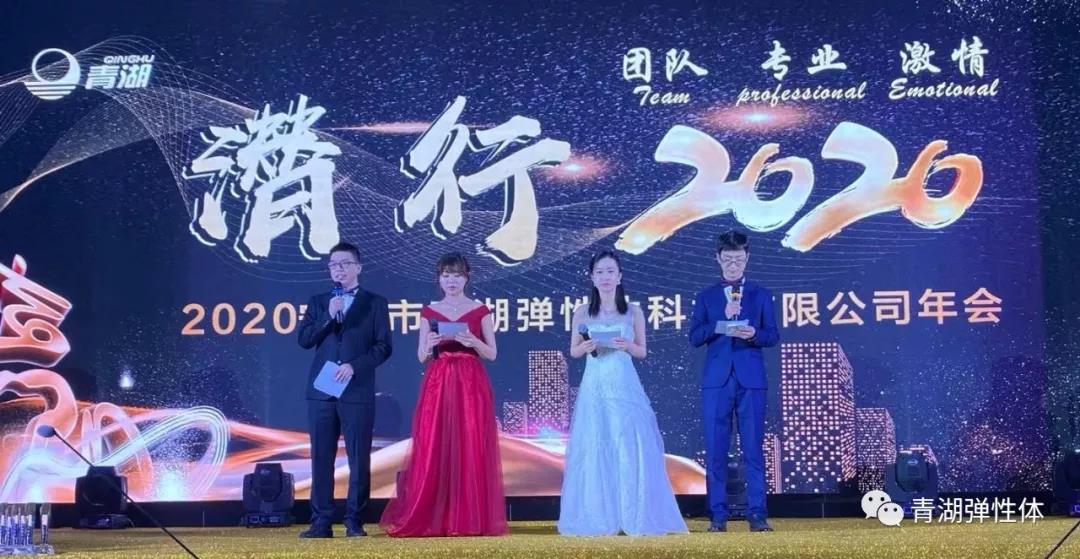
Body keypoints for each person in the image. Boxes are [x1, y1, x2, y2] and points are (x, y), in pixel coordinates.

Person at [558, 249, 688, 536]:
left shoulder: (633, 311)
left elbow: (642, 351)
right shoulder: (582, 312)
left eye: (610, 271)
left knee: (628, 443)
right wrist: (586, 346)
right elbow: (574, 351)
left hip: (624, 384)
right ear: (592, 278)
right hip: (595, 385)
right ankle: (600, 516)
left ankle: (633, 513)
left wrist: (627, 345)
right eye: (600, 272)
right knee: (596, 443)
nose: (605, 277)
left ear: (619, 276)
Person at [380, 252, 508, 537]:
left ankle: (469, 517)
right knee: (436, 443)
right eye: (446, 275)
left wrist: (472, 341)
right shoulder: (430, 311)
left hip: (470, 382)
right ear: (439, 279)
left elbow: (492, 353)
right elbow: (421, 356)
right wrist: (431, 344)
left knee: (470, 442)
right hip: (439, 382)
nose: (451, 281)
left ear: (467, 277)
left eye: (457, 275)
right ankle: (434, 515)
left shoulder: (480, 311)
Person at [297, 241, 393, 538]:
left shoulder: (375, 303)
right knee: (321, 457)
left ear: (357, 267)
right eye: (333, 265)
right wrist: (328, 316)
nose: (337, 269)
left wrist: (355, 366)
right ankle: (321, 521)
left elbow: (383, 347)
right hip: (322, 392)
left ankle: (354, 520)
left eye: (344, 264)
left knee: (358, 457)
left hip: (356, 389)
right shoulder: (319, 302)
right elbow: (305, 340)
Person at [689, 230, 779, 533]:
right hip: (717, 382)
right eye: (728, 259)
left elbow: (772, 335)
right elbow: (694, 337)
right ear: (718, 259)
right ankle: (717, 516)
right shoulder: (706, 297)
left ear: (747, 258)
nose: (733, 265)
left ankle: (757, 515)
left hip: (751, 380)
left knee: (753, 450)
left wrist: (754, 334)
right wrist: (718, 324)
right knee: (716, 451)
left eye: (738, 260)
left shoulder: (760, 294)